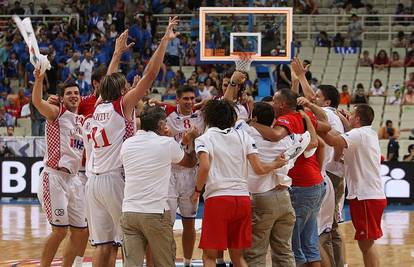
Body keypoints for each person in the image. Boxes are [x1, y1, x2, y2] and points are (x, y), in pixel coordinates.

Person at [85, 17, 180, 267]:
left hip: (93, 181)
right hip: (115, 179)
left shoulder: (98, 105)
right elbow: (150, 75)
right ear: (121, 92)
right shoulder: (122, 105)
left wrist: (116, 54)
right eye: (127, 87)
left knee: (104, 246)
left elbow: (108, 81)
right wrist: (163, 42)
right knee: (134, 240)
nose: (130, 88)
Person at [190, 99, 287, 267]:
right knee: (238, 257)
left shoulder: (204, 138)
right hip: (242, 199)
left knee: (209, 257)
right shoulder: (244, 136)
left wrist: (197, 191)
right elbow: (258, 168)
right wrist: (276, 164)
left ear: (209, 117)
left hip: (218, 199)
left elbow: (204, 166)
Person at [251, 88, 330, 267]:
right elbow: (321, 142)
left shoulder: (283, 122)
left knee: (293, 246)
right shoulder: (303, 116)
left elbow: (276, 135)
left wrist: (250, 123)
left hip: (300, 185)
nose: (273, 103)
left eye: (275, 100)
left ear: (282, 104)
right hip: (316, 181)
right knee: (310, 242)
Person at [240, 102, 317, 267]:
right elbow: (314, 141)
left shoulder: (247, 133)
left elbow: (235, 117)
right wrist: (306, 119)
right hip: (284, 199)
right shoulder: (290, 139)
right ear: (274, 120)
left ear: (254, 118)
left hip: (261, 199)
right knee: (284, 252)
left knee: (255, 253)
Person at [120, 106, 197, 267]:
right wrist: (189, 140)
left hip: (129, 212)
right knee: (165, 262)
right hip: (155, 212)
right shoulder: (166, 143)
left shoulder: (127, 143)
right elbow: (190, 162)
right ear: (161, 125)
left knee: (131, 264)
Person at [32, 69, 88, 267]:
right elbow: (38, 103)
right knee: (60, 231)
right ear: (62, 99)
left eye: (76, 93)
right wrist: (39, 80)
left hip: (74, 180)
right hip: (54, 177)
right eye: (69, 93)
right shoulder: (57, 113)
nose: (73, 96)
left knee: (80, 231)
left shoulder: (81, 121)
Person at [322, 104, 387, 267]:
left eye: (351, 114)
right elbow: (348, 131)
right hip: (370, 195)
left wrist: (314, 124)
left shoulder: (357, 134)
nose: (348, 116)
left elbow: (332, 140)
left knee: (366, 245)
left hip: (365, 196)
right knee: (367, 244)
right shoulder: (368, 132)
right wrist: (344, 118)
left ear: (357, 119)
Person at [165, 86, 205, 267]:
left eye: (192, 98)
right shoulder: (168, 119)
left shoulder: (202, 117)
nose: (190, 102)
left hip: (191, 173)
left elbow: (222, 100)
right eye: (186, 98)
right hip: (171, 173)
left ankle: (187, 262)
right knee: (167, 223)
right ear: (178, 100)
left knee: (189, 222)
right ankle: (168, 261)